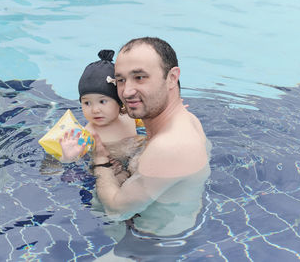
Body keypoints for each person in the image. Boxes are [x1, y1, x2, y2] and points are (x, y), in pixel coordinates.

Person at [92, 37, 212, 236]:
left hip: (149, 247)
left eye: (139, 77)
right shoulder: (186, 119)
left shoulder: (169, 146)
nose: (127, 91)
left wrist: (100, 160)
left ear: (172, 78)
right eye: (120, 80)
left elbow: (116, 210)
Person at [59, 50, 145, 184]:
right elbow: (75, 160)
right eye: (87, 103)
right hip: (113, 168)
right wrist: (67, 157)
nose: (95, 110)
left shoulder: (130, 116)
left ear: (119, 101)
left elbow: (152, 119)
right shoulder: (88, 134)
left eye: (102, 101)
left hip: (135, 156)